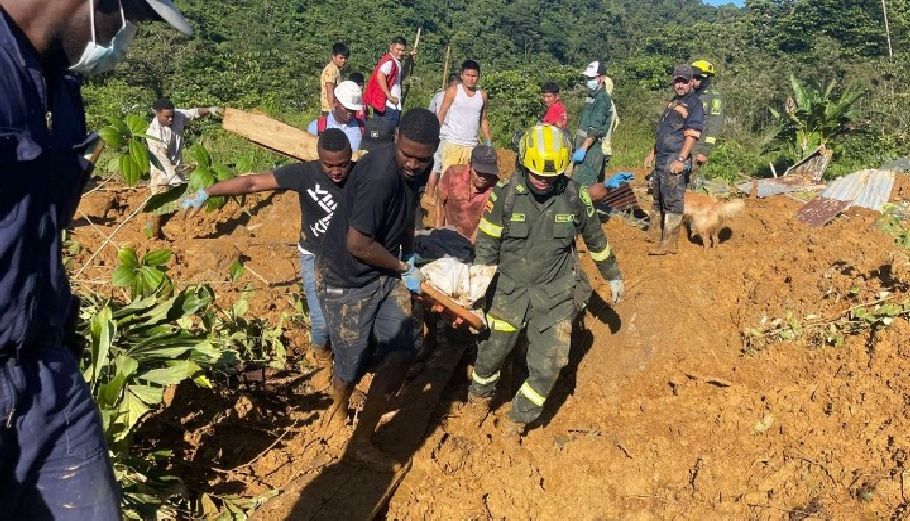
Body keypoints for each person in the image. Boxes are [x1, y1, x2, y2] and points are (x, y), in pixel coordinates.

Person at [0, 0, 193, 518]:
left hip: (45, 371)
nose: (125, 40)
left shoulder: (61, 92)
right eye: (127, 20)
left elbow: (40, 224)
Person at [467, 124, 624, 440]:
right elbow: (486, 245)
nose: (541, 180)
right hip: (509, 291)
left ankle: (516, 421)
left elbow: (595, 238)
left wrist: (613, 275)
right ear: (524, 162)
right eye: (536, 173)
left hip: (554, 294)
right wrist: (477, 294)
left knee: (550, 363)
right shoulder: (505, 195)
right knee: (492, 354)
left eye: (549, 177)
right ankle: (478, 403)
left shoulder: (574, 195)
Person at [317, 108, 439, 465]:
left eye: (422, 158)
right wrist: (403, 266)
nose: (414, 165)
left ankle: (361, 439)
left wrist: (411, 251)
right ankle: (336, 411)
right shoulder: (378, 175)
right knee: (350, 365)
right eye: (408, 155)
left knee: (402, 351)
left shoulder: (421, 167)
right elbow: (357, 244)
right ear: (396, 138)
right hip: (347, 277)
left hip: (383, 271)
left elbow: (407, 209)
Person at [181, 129, 354, 362]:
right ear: (319, 158)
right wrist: (206, 192)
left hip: (349, 256)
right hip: (314, 255)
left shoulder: (361, 175)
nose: (335, 172)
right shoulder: (305, 174)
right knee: (322, 323)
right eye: (328, 165)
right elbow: (252, 183)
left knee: (351, 316)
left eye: (342, 165)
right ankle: (321, 360)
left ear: (351, 157)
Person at [643, 64, 704, 255]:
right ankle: (654, 234)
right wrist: (652, 153)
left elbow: (692, 134)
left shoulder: (694, 104)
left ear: (691, 83)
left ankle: (669, 244)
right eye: (677, 81)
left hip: (675, 158)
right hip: (661, 156)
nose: (680, 85)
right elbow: (664, 131)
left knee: (672, 200)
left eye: (684, 81)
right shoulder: (673, 103)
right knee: (658, 198)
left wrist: (681, 159)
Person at [146, 98, 220, 192]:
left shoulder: (178, 116)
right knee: (161, 201)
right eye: (167, 117)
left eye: (172, 116)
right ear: (157, 114)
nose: (171, 119)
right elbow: (162, 160)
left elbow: (194, 113)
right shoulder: (152, 133)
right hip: (162, 173)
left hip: (178, 168)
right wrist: (175, 178)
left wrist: (209, 110)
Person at [436, 59, 492, 180]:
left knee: (466, 182)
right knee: (447, 181)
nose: (471, 79)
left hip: (471, 147)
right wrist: (434, 133)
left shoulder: (482, 95)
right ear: (462, 75)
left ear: (478, 77)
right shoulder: (453, 91)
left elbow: (483, 119)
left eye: (474, 76)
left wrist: (488, 140)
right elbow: (442, 112)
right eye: (467, 75)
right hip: (453, 144)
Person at [434, 145, 499, 242]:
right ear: (470, 166)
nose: (483, 177)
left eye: (488, 173)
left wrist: (470, 246)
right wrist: (437, 235)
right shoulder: (453, 174)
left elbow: (484, 222)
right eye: (479, 172)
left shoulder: (495, 188)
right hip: (448, 235)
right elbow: (439, 202)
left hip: (475, 241)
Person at [571, 60, 614, 188]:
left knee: (582, 188)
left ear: (602, 78)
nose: (588, 80)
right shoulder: (591, 97)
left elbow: (595, 127)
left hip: (590, 151)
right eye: (587, 77)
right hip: (583, 148)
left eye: (592, 77)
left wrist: (583, 148)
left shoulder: (602, 99)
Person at [426, 72, 462, 200]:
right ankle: (442, 197)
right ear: (453, 84)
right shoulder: (458, 96)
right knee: (447, 167)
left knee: (435, 165)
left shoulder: (438, 96)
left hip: (438, 132)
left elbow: (430, 112)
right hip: (451, 135)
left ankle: (430, 195)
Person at [307, 81, 364, 150]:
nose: (351, 112)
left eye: (353, 109)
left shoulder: (361, 126)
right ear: (335, 103)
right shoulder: (316, 127)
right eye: (347, 108)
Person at [363, 36, 407, 124]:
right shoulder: (389, 62)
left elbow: (400, 76)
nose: (400, 52)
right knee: (387, 134)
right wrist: (388, 95)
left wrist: (409, 60)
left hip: (392, 105)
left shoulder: (395, 61)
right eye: (398, 49)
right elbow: (380, 75)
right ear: (391, 47)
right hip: (388, 106)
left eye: (402, 50)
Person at [691, 59, 722, 174]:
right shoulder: (689, 95)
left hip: (698, 147)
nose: (693, 80)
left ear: (705, 78)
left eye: (697, 77)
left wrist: (704, 150)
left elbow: (714, 125)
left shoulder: (713, 98)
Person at [320, 42, 349, 116]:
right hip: (329, 109)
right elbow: (329, 89)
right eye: (341, 58)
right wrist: (333, 110)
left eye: (345, 58)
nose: (343, 60)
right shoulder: (331, 69)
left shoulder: (335, 69)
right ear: (333, 57)